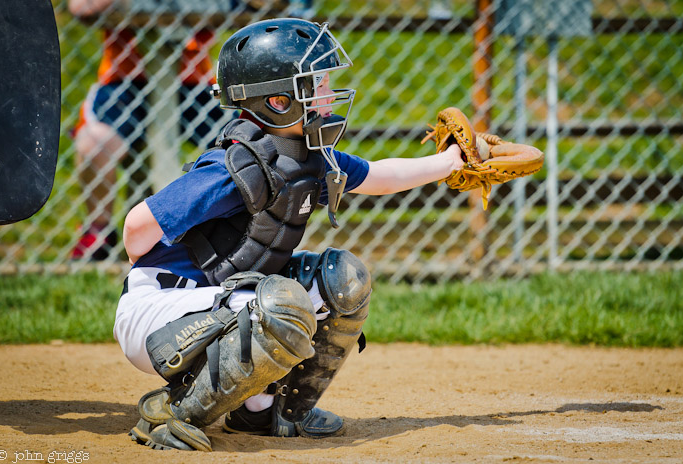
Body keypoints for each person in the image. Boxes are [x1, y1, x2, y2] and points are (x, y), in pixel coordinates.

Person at [117, 18, 543, 451]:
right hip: (160, 312)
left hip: (217, 302)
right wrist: (165, 281)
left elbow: (378, 174)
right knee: (285, 305)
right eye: (315, 83)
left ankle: (262, 412)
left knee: (343, 280)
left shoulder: (307, 157)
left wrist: (451, 162)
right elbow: (137, 225)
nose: (327, 93)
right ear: (278, 100)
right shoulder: (234, 168)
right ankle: (173, 411)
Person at [68, 0, 226, 260]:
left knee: (242, 137)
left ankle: (238, 227)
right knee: (94, 141)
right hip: (124, 77)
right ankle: (98, 231)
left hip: (192, 78)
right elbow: (81, 8)